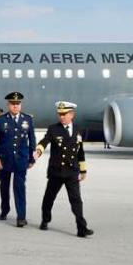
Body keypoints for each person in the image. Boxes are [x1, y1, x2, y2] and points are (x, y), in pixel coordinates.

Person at [34, 101, 94, 237]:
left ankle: (81, 228)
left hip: (72, 171)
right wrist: (38, 151)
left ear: (72, 114)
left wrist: (83, 170)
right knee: (49, 198)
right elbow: (45, 141)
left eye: (64, 114)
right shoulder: (53, 129)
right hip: (56, 171)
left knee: (76, 201)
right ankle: (45, 219)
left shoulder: (78, 129)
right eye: (59, 114)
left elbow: (80, 151)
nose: (61, 117)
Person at [0, 92, 36, 227]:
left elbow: (32, 140)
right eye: (13, 104)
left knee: (19, 188)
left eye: (18, 104)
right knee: (4, 187)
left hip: (21, 160)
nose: (15, 106)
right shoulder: (1, 120)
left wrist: (32, 159)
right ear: (8, 105)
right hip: (4, 160)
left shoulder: (28, 119)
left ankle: (21, 216)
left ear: (21, 105)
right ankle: (5, 209)